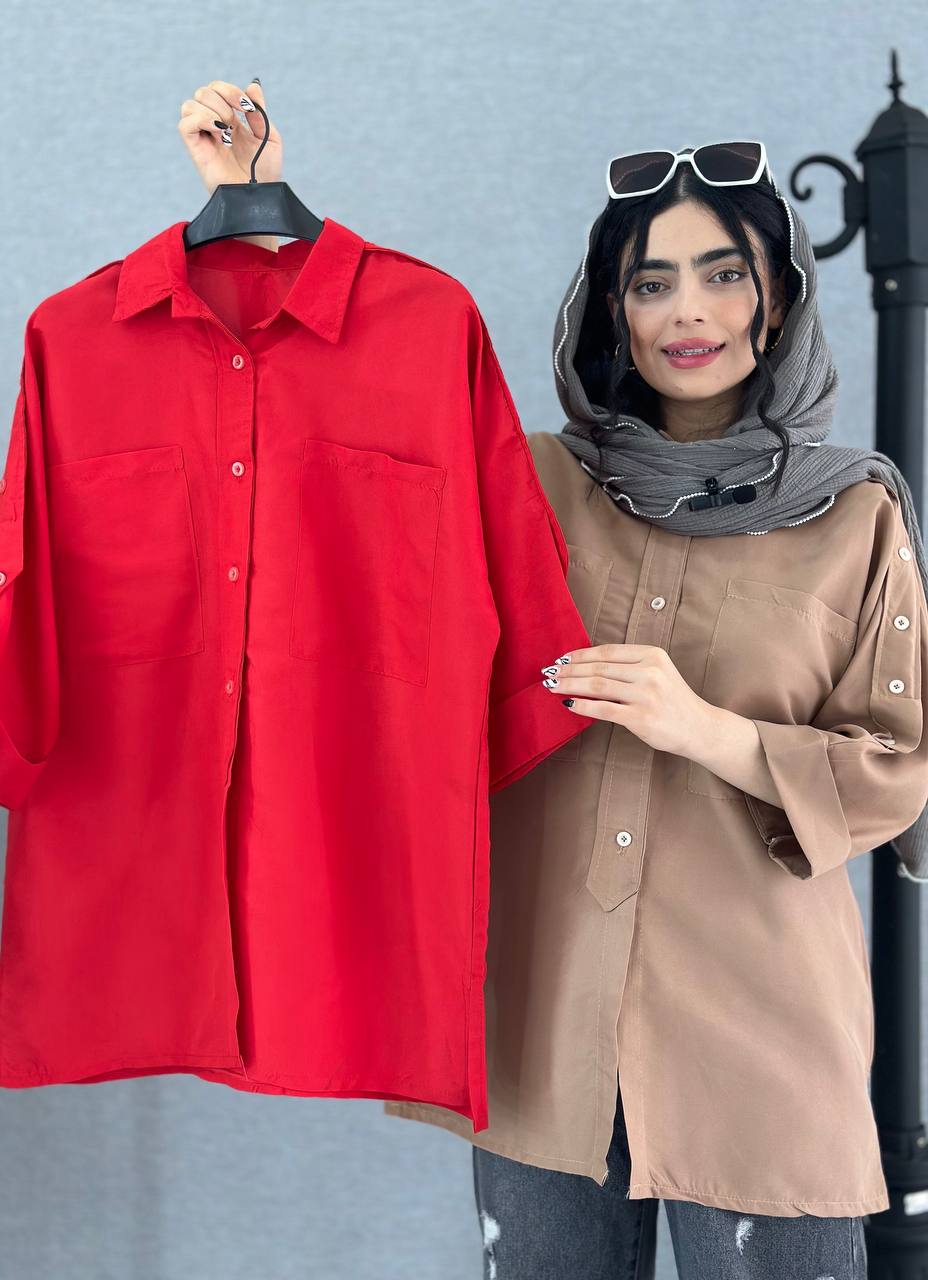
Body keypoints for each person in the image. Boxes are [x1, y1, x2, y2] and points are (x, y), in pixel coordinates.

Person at [180, 88, 928, 1278]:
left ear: (777, 295)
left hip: (762, 1037)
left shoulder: (853, 516)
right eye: (650, 282)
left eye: (722, 274)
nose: (687, 310)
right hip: (542, 1021)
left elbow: (901, 768)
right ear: (612, 311)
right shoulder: (523, 482)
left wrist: (708, 729)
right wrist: (261, 218)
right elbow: (338, 443)